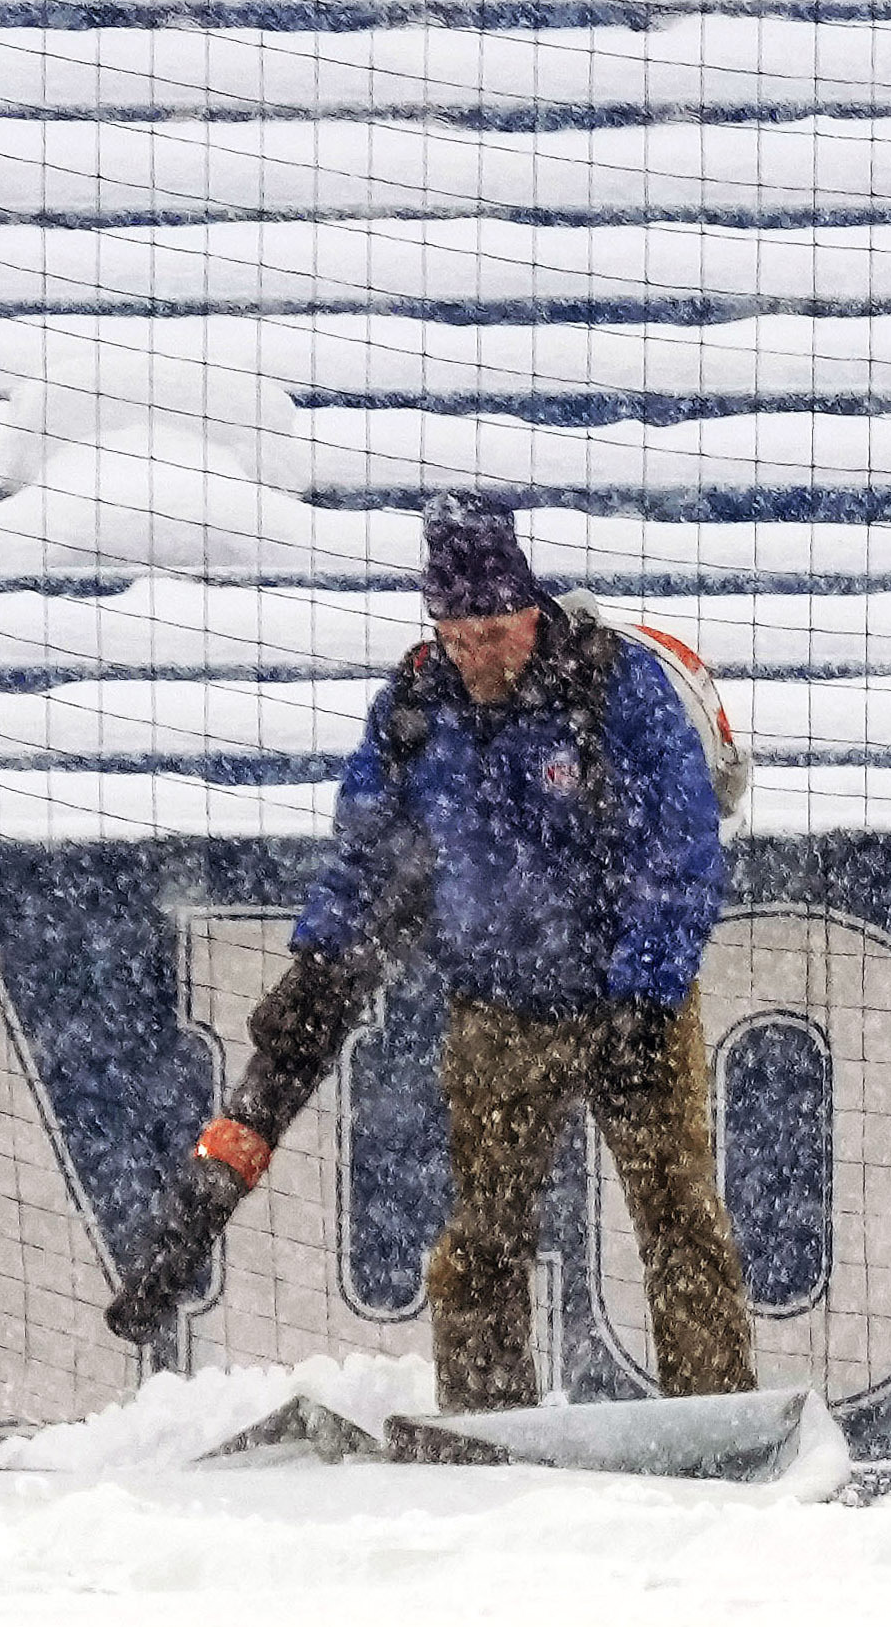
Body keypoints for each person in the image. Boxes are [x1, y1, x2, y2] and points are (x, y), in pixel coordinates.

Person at [285, 495, 749, 1411]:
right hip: (497, 1010)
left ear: (530, 610)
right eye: (455, 636)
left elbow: (681, 847)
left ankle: (713, 1417)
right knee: (482, 1239)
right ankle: (485, 1427)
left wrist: (645, 991)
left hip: (634, 1004)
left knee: (682, 1226)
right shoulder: (415, 705)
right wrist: (315, 960)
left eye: (493, 633)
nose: (476, 657)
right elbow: (367, 850)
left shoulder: (617, 686)